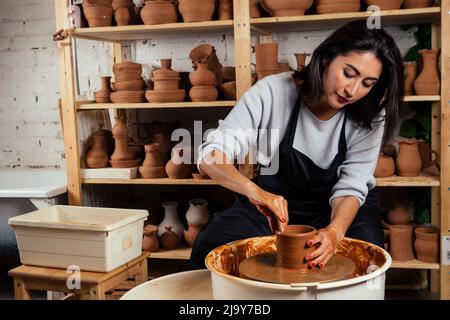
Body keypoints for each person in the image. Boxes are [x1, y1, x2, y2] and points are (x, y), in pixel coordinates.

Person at [190, 19, 404, 270]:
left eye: (368, 83)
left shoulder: (370, 114)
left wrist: (335, 232)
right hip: (272, 207)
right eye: (348, 73)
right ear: (326, 58)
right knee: (210, 245)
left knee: (366, 258)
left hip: (339, 209)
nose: (353, 90)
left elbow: (353, 184)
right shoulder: (272, 92)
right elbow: (211, 156)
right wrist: (254, 192)